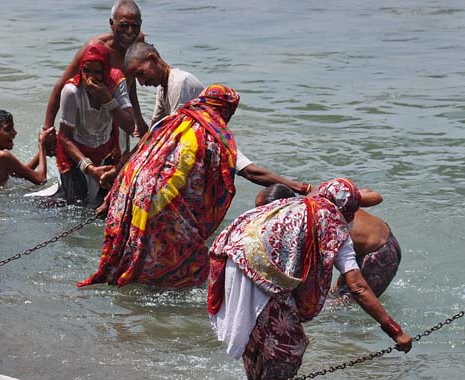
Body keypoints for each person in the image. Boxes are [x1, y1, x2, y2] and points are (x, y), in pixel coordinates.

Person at [207, 178, 412, 380]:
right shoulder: (333, 223)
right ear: (349, 209)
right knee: (291, 346)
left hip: (229, 264)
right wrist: (395, 331)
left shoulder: (292, 205)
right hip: (257, 273)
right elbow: (358, 287)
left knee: (257, 333)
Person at [79, 84, 242, 289]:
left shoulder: (170, 120)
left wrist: (112, 196)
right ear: (225, 110)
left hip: (132, 192)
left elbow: (138, 155)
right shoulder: (214, 138)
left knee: (134, 247)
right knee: (188, 267)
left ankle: (128, 281)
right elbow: (216, 185)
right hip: (164, 202)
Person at [123, 41, 312, 195]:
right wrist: (125, 165)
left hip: (210, 138)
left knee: (248, 171)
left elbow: (173, 136)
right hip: (199, 144)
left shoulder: (180, 82)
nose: (142, 82)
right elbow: (155, 131)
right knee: (248, 170)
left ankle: (304, 189)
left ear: (153, 59)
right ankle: (302, 189)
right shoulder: (164, 86)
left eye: (140, 74)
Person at [256, 184, 402, 298]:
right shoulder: (315, 198)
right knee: (334, 296)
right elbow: (372, 193)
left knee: (339, 310)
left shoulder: (304, 223)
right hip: (380, 239)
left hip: (380, 254)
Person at [42, 0, 148, 140]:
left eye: (135, 26)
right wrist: (47, 128)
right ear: (112, 24)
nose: (129, 31)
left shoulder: (138, 41)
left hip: (119, 111)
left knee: (124, 156)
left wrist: (138, 118)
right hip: (93, 113)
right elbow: (61, 86)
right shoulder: (95, 48)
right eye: (123, 25)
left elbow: (129, 80)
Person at [55, 42, 134, 205]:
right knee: (77, 206)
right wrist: (89, 168)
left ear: (106, 71)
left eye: (97, 72)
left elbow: (129, 126)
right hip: (76, 154)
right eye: (86, 71)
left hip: (108, 150)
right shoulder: (72, 91)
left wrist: (107, 98)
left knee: (112, 202)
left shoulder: (117, 83)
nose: (90, 78)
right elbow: (64, 137)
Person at [0, 108, 52, 190]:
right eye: (8, 129)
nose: (15, 132)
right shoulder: (1, 156)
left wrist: (42, 153)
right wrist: (42, 145)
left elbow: (21, 173)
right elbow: (41, 179)